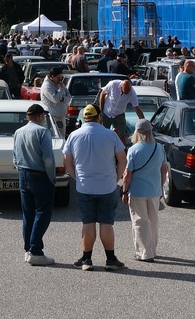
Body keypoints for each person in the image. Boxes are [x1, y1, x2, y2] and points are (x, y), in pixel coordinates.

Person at [66, 105, 126, 270]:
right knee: (106, 223)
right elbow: (122, 159)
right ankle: (110, 259)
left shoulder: (73, 135)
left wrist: (76, 177)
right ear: (99, 116)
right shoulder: (110, 135)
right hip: (107, 185)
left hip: (84, 186)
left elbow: (67, 160)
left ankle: (86, 259)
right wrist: (117, 178)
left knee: (88, 222)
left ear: (84, 117)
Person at [12, 101, 58, 264]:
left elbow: (15, 156)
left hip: (23, 174)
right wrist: (52, 177)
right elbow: (48, 158)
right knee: (43, 212)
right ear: (39, 116)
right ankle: (35, 250)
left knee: (28, 213)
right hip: (40, 174)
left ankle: (28, 249)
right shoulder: (42, 131)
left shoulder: (18, 131)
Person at [122, 118, 167, 261]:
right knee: (153, 221)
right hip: (154, 190)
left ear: (137, 132)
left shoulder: (133, 150)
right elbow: (164, 169)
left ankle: (144, 253)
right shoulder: (159, 148)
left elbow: (127, 174)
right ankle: (153, 249)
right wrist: (160, 187)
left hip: (137, 191)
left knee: (140, 221)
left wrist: (124, 191)